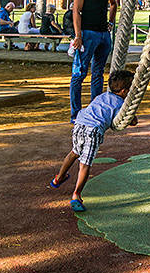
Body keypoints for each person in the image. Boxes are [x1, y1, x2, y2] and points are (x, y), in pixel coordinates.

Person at [50, 68, 137, 212]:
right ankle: (76, 195)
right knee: (85, 164)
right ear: (124, 92)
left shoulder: (102, 96)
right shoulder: (121, 105)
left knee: (74, 152)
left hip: (80, 122)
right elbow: (132, 121)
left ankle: (58, 178)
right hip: (93, 130)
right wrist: (133, 114)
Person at [70, 0, 119, 121]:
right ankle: (75, 114)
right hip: (87, 33)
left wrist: (110, 22)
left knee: (98, 73)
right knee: (79, 73)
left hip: (103, 35)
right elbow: (76, 10)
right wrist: (78, 35)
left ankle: (94, 111)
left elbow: (114, 4)